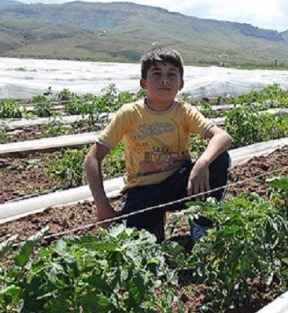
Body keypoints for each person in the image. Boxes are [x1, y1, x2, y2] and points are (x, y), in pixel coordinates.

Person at [84, 46, 232, 244]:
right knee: (143, 247)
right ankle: (153, 223)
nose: (165, 79)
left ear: (181, 83)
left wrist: (202, 163)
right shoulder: (129, 113)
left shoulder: (184, 111)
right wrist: (103, 208)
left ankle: (201, 223)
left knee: (219, 158)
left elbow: (222, 137)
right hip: (142, 190)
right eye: (157, 74)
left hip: (179, 183)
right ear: (143, 83)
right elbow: (92, 158)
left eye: (172, 74)